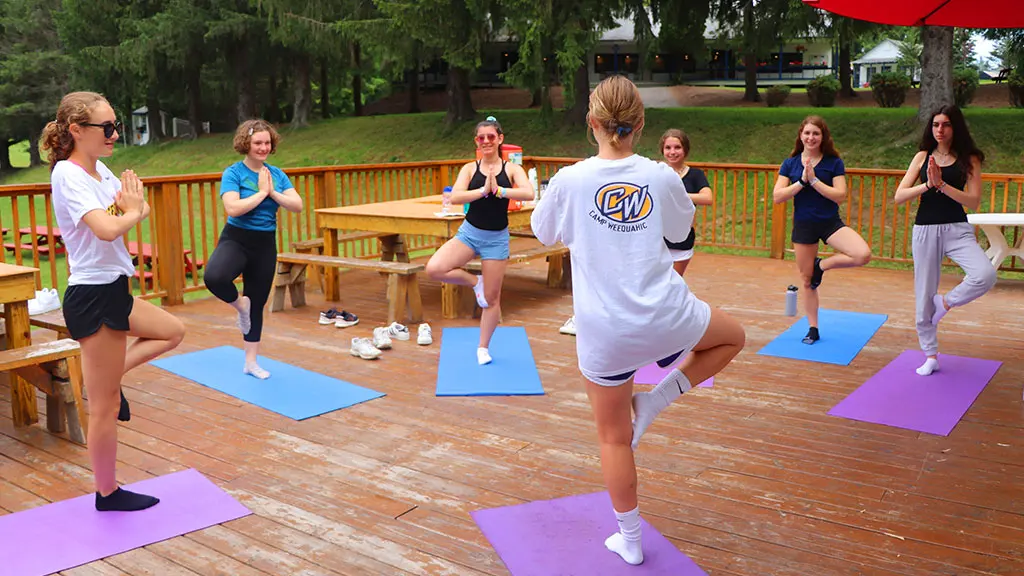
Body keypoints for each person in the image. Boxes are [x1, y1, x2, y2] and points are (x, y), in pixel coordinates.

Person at [530, 76, 745, 567]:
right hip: (665, 314)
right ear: (641, 125)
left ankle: (629, 539)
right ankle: (656, 401)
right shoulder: (662, 176)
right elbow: (678, 232)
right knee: (732, 338)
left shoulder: (570, 179)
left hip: (605, 331)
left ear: (592, 124)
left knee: (612, 438)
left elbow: (542, 234)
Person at [43, 91, 185, 511]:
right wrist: (135, 212)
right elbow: (107, 228)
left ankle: (108, 377)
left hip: (114, 289)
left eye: (115, 125)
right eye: (106, 127)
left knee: (172, 331)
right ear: (75, 131)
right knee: (103, 408)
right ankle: (107, 493)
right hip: (93, 295)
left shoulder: (100, 170)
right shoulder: (68, 176)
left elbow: (117, 216)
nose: (114, 133)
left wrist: (129, 210)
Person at [895, 105, 996, 376]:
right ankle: (930, 355)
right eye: (936, 124)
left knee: (985, 274)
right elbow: (899, 196)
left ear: (956, 127)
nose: (940, 129)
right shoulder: (922, 157)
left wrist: (942, 185)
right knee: (923, 295)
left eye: (946, 124)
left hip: (957, 229)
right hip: (925, 230)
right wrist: (928, 185)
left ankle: (946, 303)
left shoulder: (969, 158)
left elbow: (973, 201)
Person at [424, 116, 534, 365]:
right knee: (434, 268)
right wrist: (483, 191)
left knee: (492, 299)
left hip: (496, 239)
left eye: (491, 137)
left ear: (500, 139)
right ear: (476, 141)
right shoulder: (470, 168)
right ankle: (475, 281)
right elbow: (456, 197)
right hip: (470, 233)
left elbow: (528, 192)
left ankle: (483, 347)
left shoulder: (512, 169)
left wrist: (500, 191)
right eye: (481, 138)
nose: (486, 141)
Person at [203, 119, 303, 379]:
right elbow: (233, 208)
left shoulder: (276, 174)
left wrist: (273, 193)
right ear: (246, 144)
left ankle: (250, 362)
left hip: (264, 243)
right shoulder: (233, 173)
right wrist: (261, 194)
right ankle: (239, 305)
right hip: (236, 239)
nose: (263, 147)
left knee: (257, 302)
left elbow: (297, 204)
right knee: (215, 277)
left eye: (267, 142)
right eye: (258, 142)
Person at [772, 116, 871, 345]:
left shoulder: (833, 162)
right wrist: (802, 182)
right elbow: (778, 196)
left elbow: (840, 196)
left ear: (823, 137)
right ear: (800, 135)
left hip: (829, 223)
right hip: (804, 225)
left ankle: (822, 265)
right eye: (807, 133)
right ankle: (813, 328)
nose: (811, 137)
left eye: (816, 133)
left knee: (862, 254)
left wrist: (815, 181)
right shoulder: (791, 163)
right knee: (807, 281)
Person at [660, 128, 714, 276]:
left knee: (674, 283)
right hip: (657, 238)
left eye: (677, 147)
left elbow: (707, 198)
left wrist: (680, 196)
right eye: (668, 148)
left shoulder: (695, 175)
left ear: (685, 149)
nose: (672, 152)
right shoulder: (657, 172)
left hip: (682, 239)